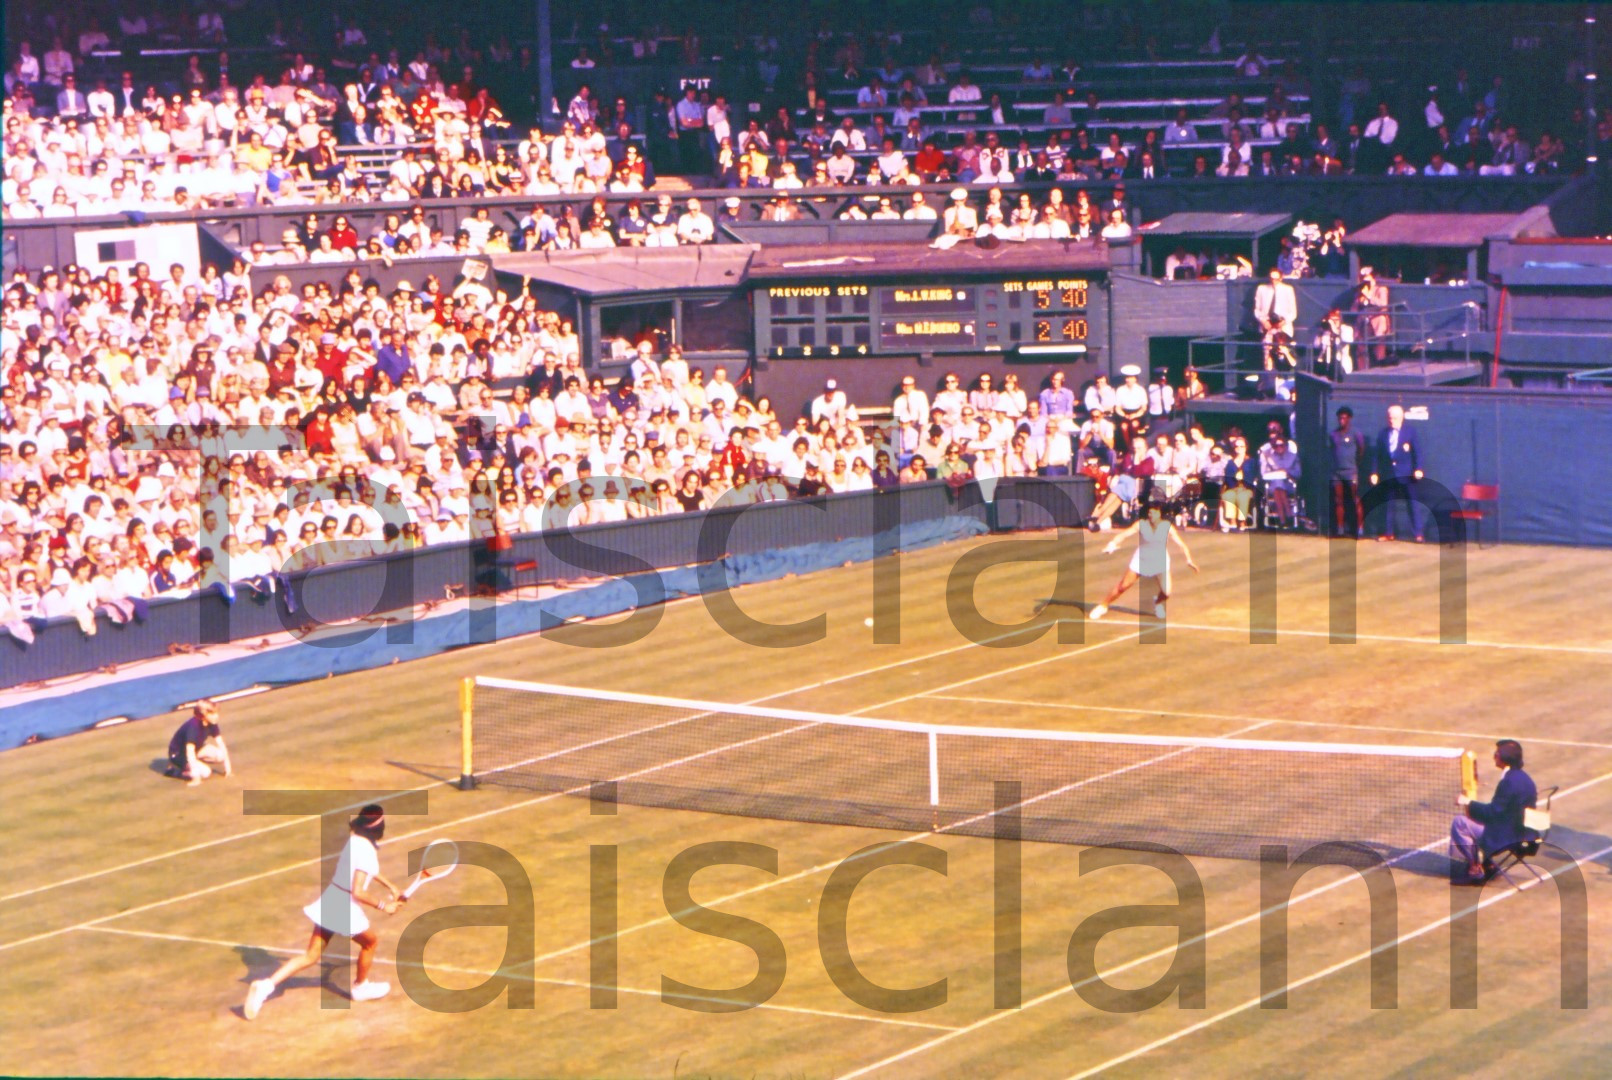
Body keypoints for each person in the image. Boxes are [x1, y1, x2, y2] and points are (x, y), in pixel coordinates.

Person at [244, 805, 401, 1018]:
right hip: (344, 905)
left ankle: (265, 986)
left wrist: (389, 885)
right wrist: (384, 906)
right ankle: (360, 987)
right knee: (370, 942)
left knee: (311, 955)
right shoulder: (368, 852)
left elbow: (365, 870)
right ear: (379, 829)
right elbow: (358, 891)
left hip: (332, 897)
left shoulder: (354, 841)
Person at [1089, 496, 1199, 621]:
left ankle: (1158, 604)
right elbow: (1123, 535)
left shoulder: (1167, 527)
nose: (1151, 515)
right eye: (1150, 512)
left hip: (1160, 561)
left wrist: (1189, 559)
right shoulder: (1141, 524)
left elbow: (1182, 545)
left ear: (1160, 513)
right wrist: (1113, 544)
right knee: (1123, 586)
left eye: (1154, 512)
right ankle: (1103, 606)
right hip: (1141, 560)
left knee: (1167, 592)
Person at [1452, 740, 1538, 884]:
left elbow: (1492, 813)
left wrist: (1467, 802)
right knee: (1478, 819)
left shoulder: (1508, 782)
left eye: (1497, 754)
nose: (1494, 757)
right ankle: (1489, 864)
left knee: (1459, 823)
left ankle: (1476, 870)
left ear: (1504, 758)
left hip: (1509, 836)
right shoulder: (1525, 778)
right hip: (1526, 833)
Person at [1369, 404, 1425, 541]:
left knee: (1412, 504)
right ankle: (1388, 533)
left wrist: (1418, 468)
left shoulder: (1410, 432)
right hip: (1389, 474)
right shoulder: (1383, 434)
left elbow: (1417, 452)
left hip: (1407, 475)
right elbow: (1377, 455)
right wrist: (1374, 472)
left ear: (1401, 418)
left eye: (1394, 418)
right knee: (1388, 505)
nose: (1391, 420)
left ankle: (1418, 533)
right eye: (1389, 418)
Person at [164, 700, 231, 785]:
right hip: (178, 754)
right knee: (206, 773)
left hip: (197, 749)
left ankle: (194, 765)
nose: (216, 716)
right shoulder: (193, 727)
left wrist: (228, 769)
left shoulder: (212, 723)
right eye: (212, 714)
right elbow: (190, 751)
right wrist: (196, 778)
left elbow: (221, 744)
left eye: (216, 713)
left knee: (220, 755)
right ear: (203, 715)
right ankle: (174, 771)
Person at [1329, 407, 1366, 538]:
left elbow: (1361, 450)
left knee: (1355, 499)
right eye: (1340, 418)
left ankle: (1360, 529)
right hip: (1337, 473)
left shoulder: (1356, 433)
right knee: (1338, 500)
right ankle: (1340, 528)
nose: (1341, 420)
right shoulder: (1334, 434)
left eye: (1344, 418)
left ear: (1349, 419)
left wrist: (1353, 464)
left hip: (1351, 472)